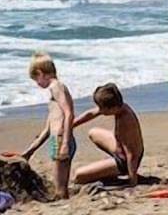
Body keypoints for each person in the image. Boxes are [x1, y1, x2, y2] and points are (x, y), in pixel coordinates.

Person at [17, 51, 76, 200]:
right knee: (61, 185)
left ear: (40, 73)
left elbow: (69, 113)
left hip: (61, 139)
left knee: (59, 187)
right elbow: (47, 130)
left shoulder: (57, 87)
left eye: (35, 79)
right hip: (58, 139)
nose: (37, 84)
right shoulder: (53, 93)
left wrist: (64, 143)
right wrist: (29, 151)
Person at [72, 83, 145, 187]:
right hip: (119, 148)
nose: (99, 111)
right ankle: (108, 170)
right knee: (93, 132)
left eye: (102, 108)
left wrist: (132, 180)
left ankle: (117, 171)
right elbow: (91, 114)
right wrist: (70, 126)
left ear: (113, 108)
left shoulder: (126, 121)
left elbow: (131, 154)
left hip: (124, 161)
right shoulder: (119, 106)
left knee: (78, 176)